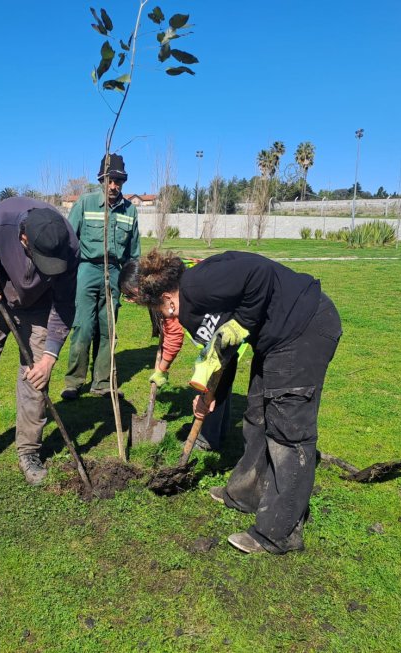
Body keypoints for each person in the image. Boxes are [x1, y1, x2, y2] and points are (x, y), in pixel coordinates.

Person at [134, 249, 342, 555]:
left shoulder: (199, 284)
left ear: (167, 298)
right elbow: (223, 352)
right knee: (257, 415)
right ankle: (246, 494)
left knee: (288, 432)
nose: (167, 317)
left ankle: (279, 532)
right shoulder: (193, 306)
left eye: (162, 310)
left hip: (304, 328)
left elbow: (259, 272)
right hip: (275, 341)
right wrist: (210, 395)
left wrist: (242, 321)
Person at [0, 197, 79, 486]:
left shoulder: (69, 245)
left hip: (39, 305)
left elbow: (65, 303)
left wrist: (50, 357)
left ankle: (29, 451)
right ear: (23, 238)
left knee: (35, 376)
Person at [119, 258, 237, 451]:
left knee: (211, 380)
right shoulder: (163, 281)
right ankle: (219, 431)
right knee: (222, 377)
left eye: (130, 295)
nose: (131, 301)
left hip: (230, 327)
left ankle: (205, 438)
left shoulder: (168, 294)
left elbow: (174, 336)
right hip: (224, 323)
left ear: (139, 287)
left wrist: (162, 369)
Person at [61, 153, 140, 399]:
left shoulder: (130, 210)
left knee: (109, 329)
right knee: (84, 326)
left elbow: (133, 253)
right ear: (101, 180)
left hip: (115, 272)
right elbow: (69, 242)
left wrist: (131, 286)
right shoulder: (85, 204)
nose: (114, 186)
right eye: (110, 180)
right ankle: (73, 382)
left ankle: (102, 382)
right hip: (87, 270)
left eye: (119, 181)